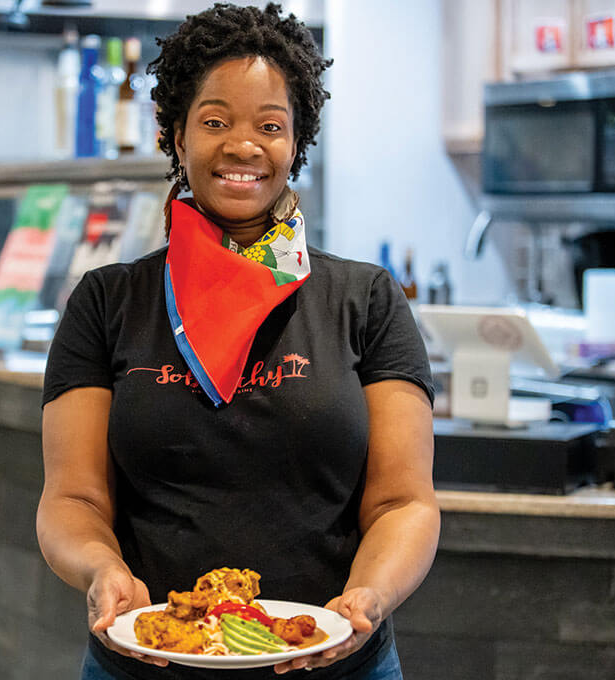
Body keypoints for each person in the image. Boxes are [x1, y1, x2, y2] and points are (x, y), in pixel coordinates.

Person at [36, 4, 439, 679]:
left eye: (270, 126)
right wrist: (103, 570)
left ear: (297, 140)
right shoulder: (107, 304)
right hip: (149, 661)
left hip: (335, 662)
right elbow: (71, 501)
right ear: (173, 134)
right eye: (215, 122)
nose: (244, 146)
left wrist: (369, 597)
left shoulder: (364, 300)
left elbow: (404, 501)